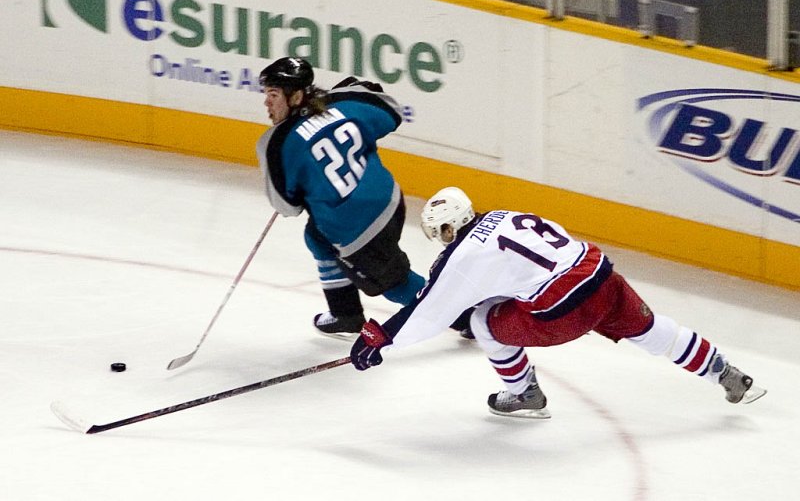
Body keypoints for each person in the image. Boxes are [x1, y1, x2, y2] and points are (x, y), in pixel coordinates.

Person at [350, 187, 767, 417]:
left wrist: (380, 337)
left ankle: (524, 393)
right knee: (649, 329)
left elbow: (430, 310)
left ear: (445, 227)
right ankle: (725, 372)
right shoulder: (507, 215)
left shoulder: (462, 254)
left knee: (481, 323)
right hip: (601, 276)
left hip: (561, 311)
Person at [255, 57, 426, 338]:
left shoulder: (275, 145)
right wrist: (353, 92)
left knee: (398, 285)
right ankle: (345, 313)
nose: (267, 104)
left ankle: (466, 317)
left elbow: (287, 207)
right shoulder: (344, 104)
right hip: (391, 201)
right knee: (317, 236)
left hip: (360, 231)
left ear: (296, 96)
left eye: (273, 95)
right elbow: (392, 113)